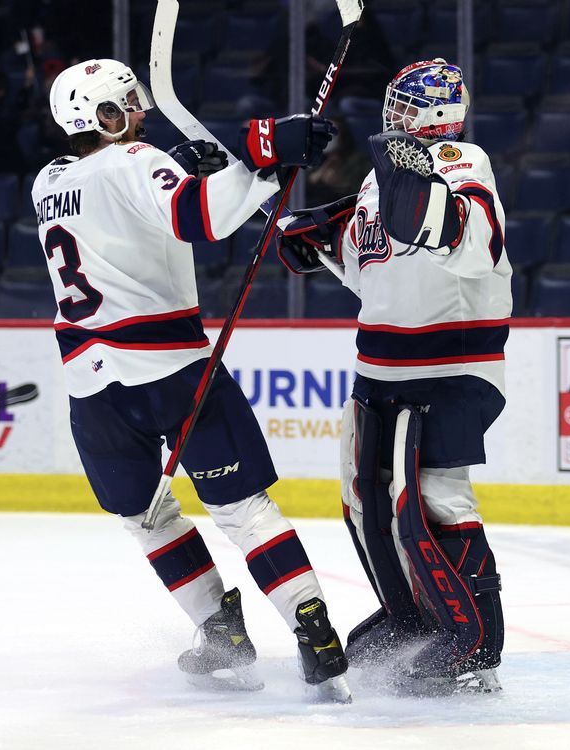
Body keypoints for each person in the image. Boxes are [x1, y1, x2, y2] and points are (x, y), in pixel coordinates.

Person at [32, 58, 350, 701]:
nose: (140, 112)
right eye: (125, 105)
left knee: (146, 517)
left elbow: (122, 204)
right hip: (174, 372)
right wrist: (262, 159)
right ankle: (313, 629)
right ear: (98, 117)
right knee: (242, 510)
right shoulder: (136, 159)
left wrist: (192, 166)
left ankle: (220, 632)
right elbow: (201, 218)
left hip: (93, 387)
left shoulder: (45, 181)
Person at [275, 58, 508, 692]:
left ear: (440, 112)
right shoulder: (380, 184)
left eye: (410, 106)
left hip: (449, 368)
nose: (395, 116)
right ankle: (413, 616)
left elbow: (471, 240)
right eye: (395, 103)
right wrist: (317, 242)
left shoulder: (461, 159)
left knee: (430, 494)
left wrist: (411, 188)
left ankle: (475, 638)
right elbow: (375, 275)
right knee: (363, 495)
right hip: (381, 366)